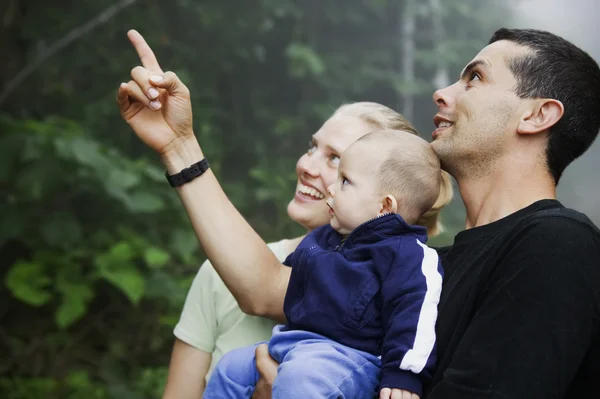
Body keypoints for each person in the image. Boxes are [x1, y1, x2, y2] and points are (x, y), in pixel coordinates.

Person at [117, 26, 600, 399]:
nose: (444, 92)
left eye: (474, 78)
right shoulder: (429, 263)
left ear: (538, 115)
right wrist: (180, 146)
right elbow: (265, 287)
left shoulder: (554, 243)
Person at [165, 101, 453, 398]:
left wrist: (403, 374)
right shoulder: (222, 272)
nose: (306, 165)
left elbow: (265, 287)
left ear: (384, 203)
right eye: (312, 147)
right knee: (231, 367)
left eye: (337, 162)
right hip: (292, 344)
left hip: (337, 361)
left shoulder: (406, 257)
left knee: (302, 380)